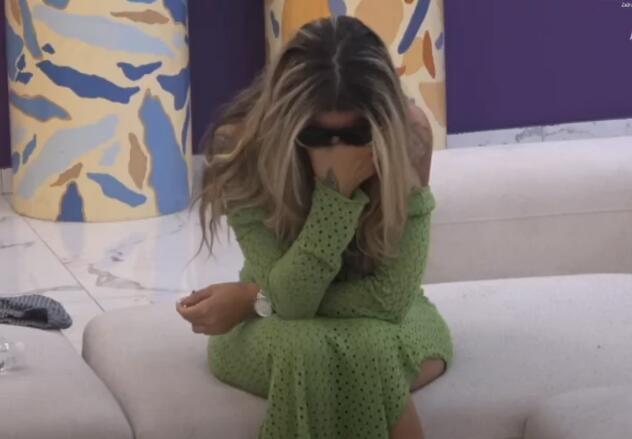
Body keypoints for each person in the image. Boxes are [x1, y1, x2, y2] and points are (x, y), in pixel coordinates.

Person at [177, 15, 454, 439]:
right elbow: (294, 304)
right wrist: (336, 197)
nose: (337, 149)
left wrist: (254, 297)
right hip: (271, 327)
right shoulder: (243, 145)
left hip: (386, 320)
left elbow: (389, 301)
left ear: (382, 123)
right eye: (317, 135)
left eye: (357, 133)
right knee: (311, 348)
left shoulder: (409, 134)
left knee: (368, 344)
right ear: (287, 122)